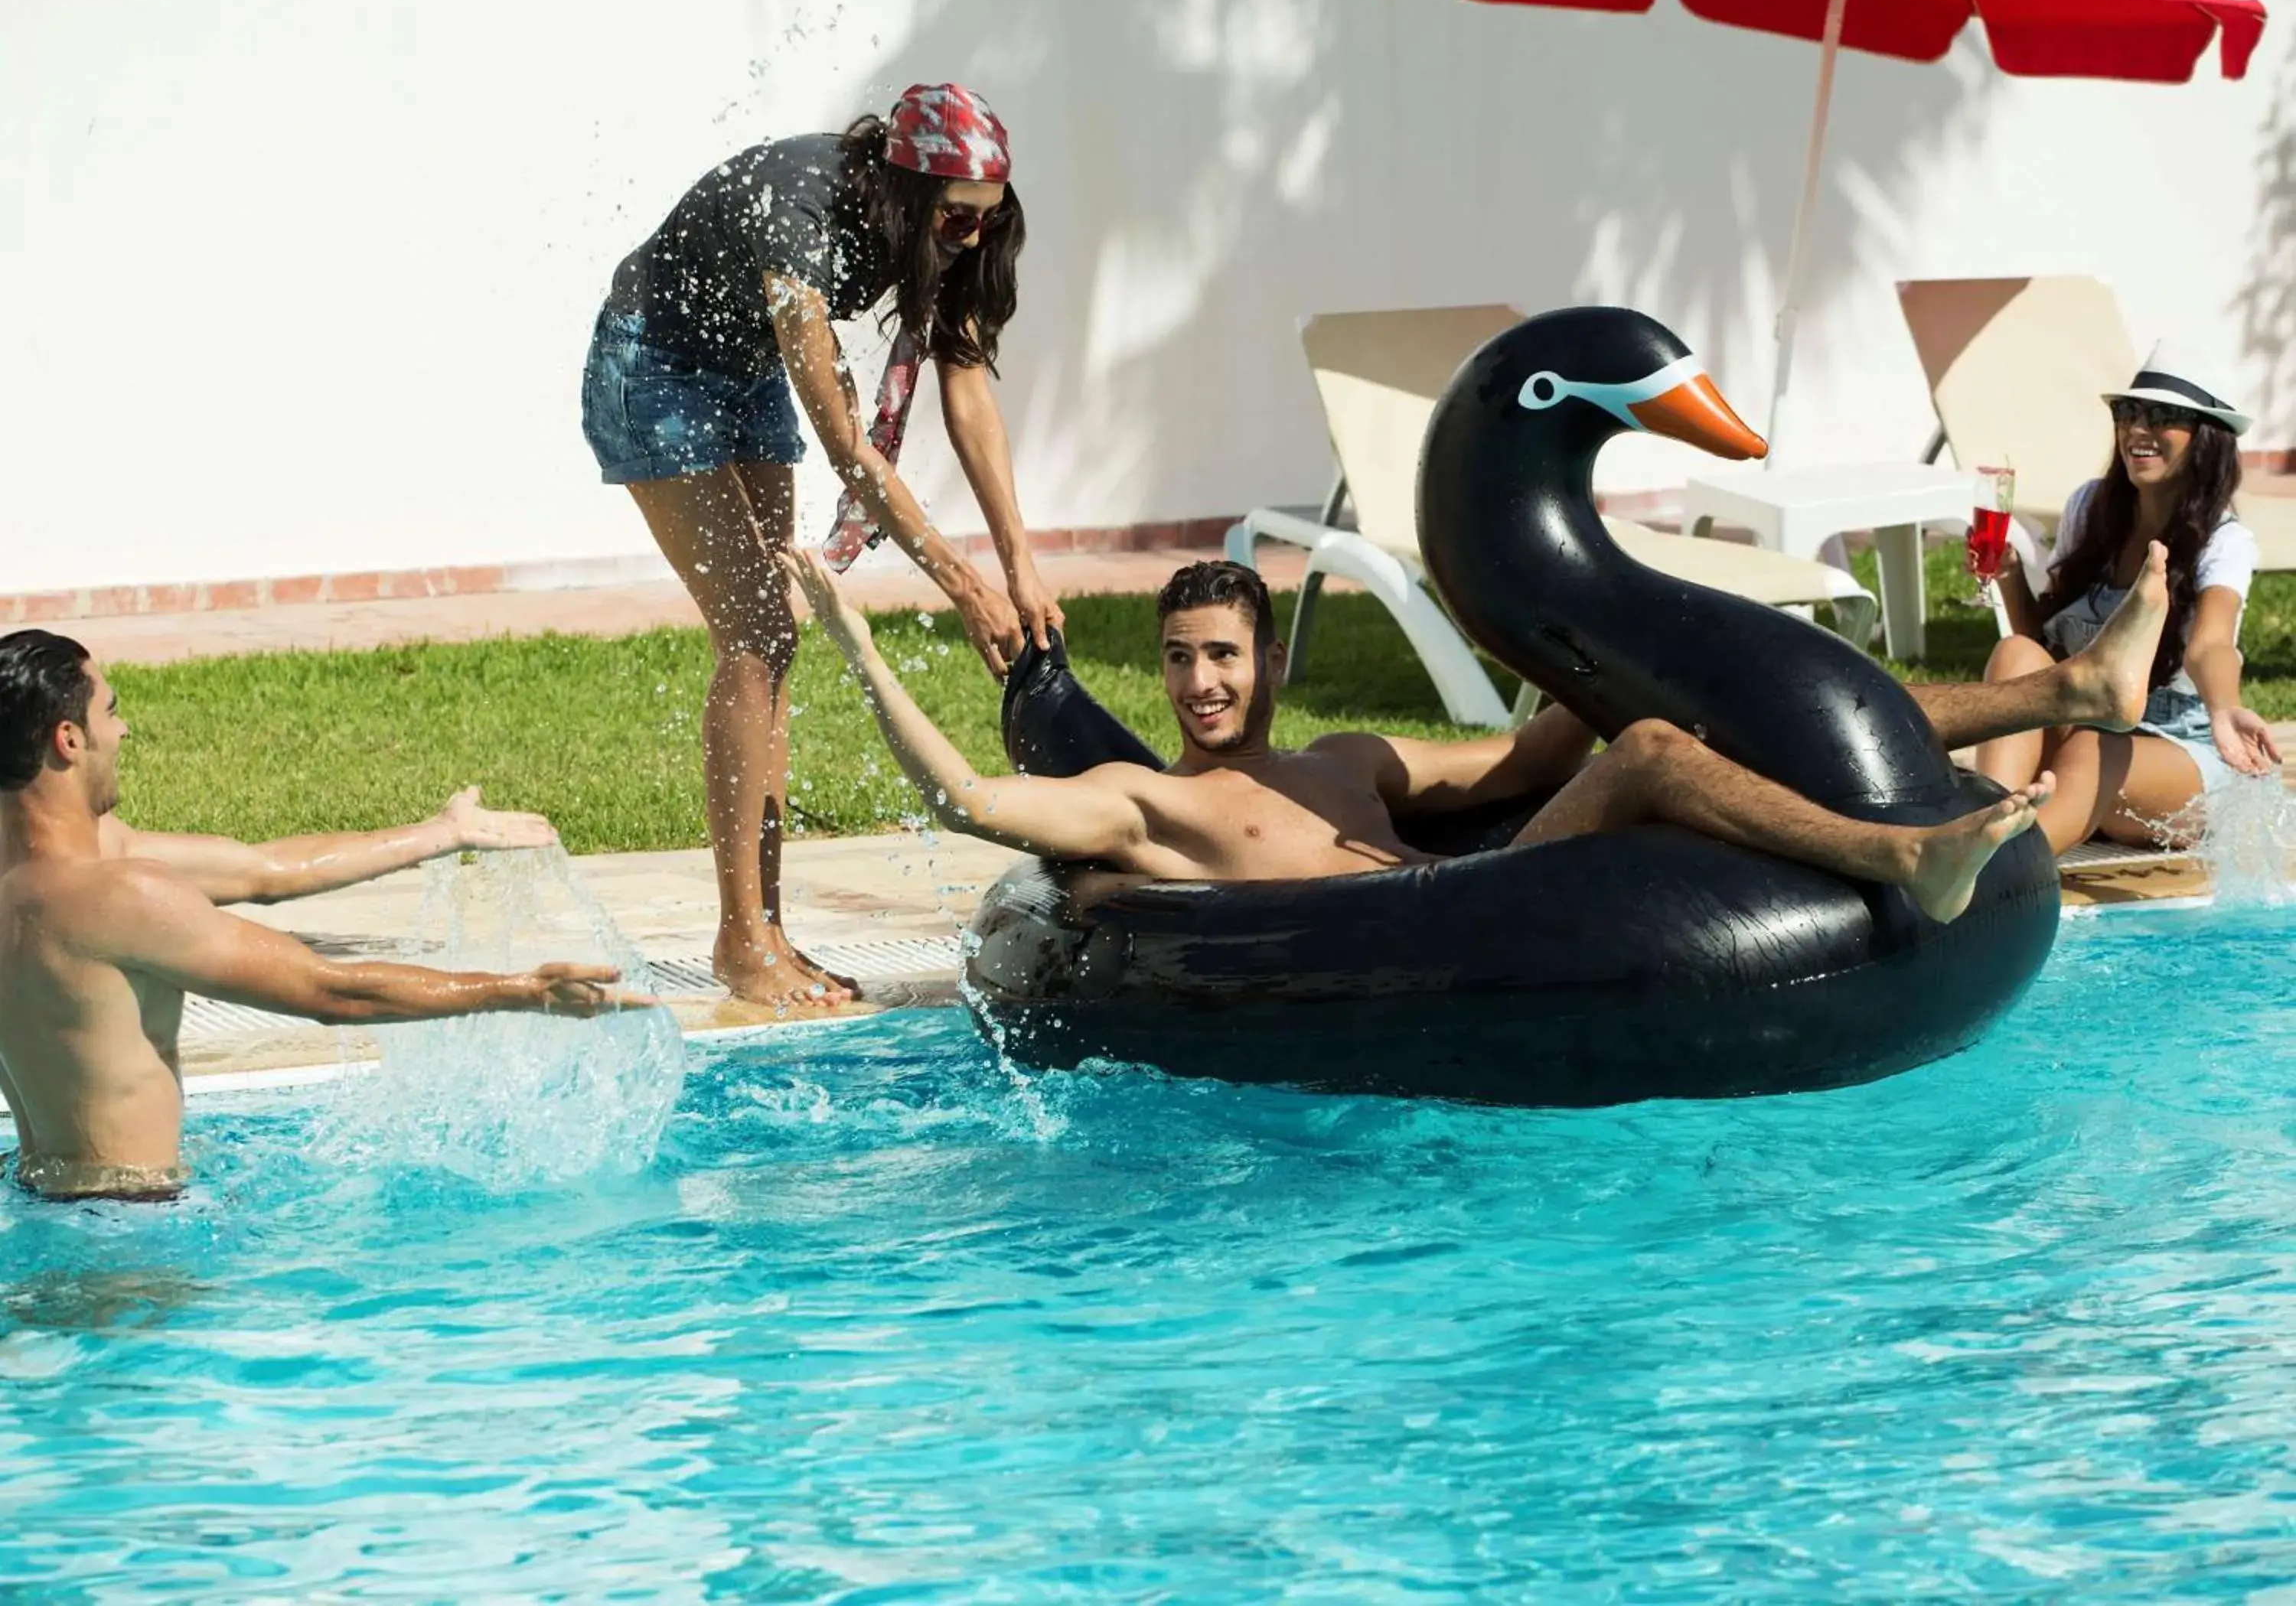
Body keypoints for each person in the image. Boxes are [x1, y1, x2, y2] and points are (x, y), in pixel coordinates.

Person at [784, 545, 2184, 922]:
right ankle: (1901, 861)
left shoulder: (1344, 761)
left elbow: (1520, 771)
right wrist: (856, 644)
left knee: (1674, 709)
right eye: (1177, 663)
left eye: (1219, 658)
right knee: (1645, 755)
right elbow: (970, 795)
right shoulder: (1144, 803)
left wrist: (1580, 645)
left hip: (1479, 888)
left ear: (1266, 661)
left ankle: (2065, 696)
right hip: (1447, 925)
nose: (1199, 685)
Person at [582, 82, 1064, 1009]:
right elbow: (850, 444)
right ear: (906, 192)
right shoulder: (799, 208)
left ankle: (764, 932)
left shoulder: (954, 232)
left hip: (743, 363)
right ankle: (740, 942)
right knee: (757, 631)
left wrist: (1019, 566)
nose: (970, 238)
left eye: (986, 221)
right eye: (956, 222)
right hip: (655, 362)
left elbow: (966, 389)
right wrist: (963, 587)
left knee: (774, 644)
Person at [0, 630, 654, 1203]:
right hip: (133, 1225)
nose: (124, 730)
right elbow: (331, 991)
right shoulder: (122, 897)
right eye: (110, 712)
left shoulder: (45, 878)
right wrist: (523, 990)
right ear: (69, 739)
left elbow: (266, 871)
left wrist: (443, 833)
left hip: (41, 1195)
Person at [1976, 346, 2283, 855]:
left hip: (2175, 751)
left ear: (2205, 437)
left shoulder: (2223, 540)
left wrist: (2226, 709)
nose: (2139, 429)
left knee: (2095, 750)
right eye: (2129, 412)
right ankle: (1990, 826)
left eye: (2162, 417)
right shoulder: (2090, 508)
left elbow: (2209, 646)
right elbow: (2039, 653)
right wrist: (2008, 577)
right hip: (2088, 723)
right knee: (2016, 655)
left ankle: (2001, 870)